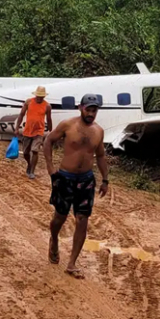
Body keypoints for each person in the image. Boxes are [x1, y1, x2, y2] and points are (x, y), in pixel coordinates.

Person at [43, 94, 109, 279]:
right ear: (81, 108)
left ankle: (71, 263)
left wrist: (105, 180)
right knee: (60, 217)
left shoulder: (98, 131)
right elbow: (48, 141)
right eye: (88, 109)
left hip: (86, 180)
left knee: (82, 219)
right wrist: (50, 168)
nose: (91, 113)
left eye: (94, 110)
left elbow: (101, 156)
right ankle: (54, 239)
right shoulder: (67, 125)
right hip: (65, 178)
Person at [14, 86, 53, 179]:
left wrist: (51, 132)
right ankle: (29, 165)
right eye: (38, 96)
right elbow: (21, 115)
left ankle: (32, 171)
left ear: (44, 97)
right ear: (35, 95)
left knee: (35, 151)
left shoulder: (47, 106)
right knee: (26, 153)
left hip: (39, 131)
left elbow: (49, 119)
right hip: (27, 131)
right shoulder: (28, 102)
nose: (39, 98)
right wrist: (17, 128)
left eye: (41, 97)